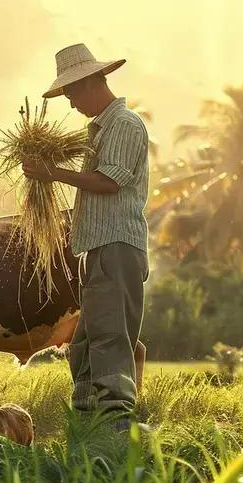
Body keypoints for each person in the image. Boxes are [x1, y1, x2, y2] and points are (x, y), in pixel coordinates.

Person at [21, 43, 149, 429]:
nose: (72, 103)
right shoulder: (97, 130)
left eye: (73, 93)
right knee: (84, 343)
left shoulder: (124, 124)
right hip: (97, 248)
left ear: (94, 82)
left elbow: (109, 182)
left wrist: (52, 174)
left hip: (117, 245)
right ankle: (86, 424)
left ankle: (115, 429)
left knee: (109, 338)